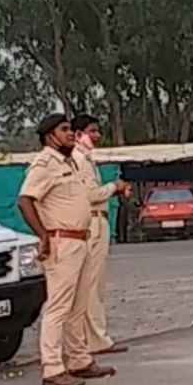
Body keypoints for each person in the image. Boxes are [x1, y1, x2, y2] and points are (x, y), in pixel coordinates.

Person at [16, 114, 118, 385]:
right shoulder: (45, 163)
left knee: (78, 305)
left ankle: (79, 360)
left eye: (71, 129)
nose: (70, 133)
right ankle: (52, 368)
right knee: (59, 307)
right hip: (62, 241)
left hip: (81, 239)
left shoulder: (70, 161)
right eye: (64, 130)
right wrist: (42, 235)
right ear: (50, 136)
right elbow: (25, 200)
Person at [68, 114, 131, 356]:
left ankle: (89, 339)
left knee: (93, 284)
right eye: (92, 131)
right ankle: (97, 340)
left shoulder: (85, 159)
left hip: (96, 221)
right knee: (92, 285)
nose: (97, 136)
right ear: (78, 134)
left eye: (97, 131)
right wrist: (114, 187)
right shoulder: (80, 160)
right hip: (92, 222)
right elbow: (92, 195)